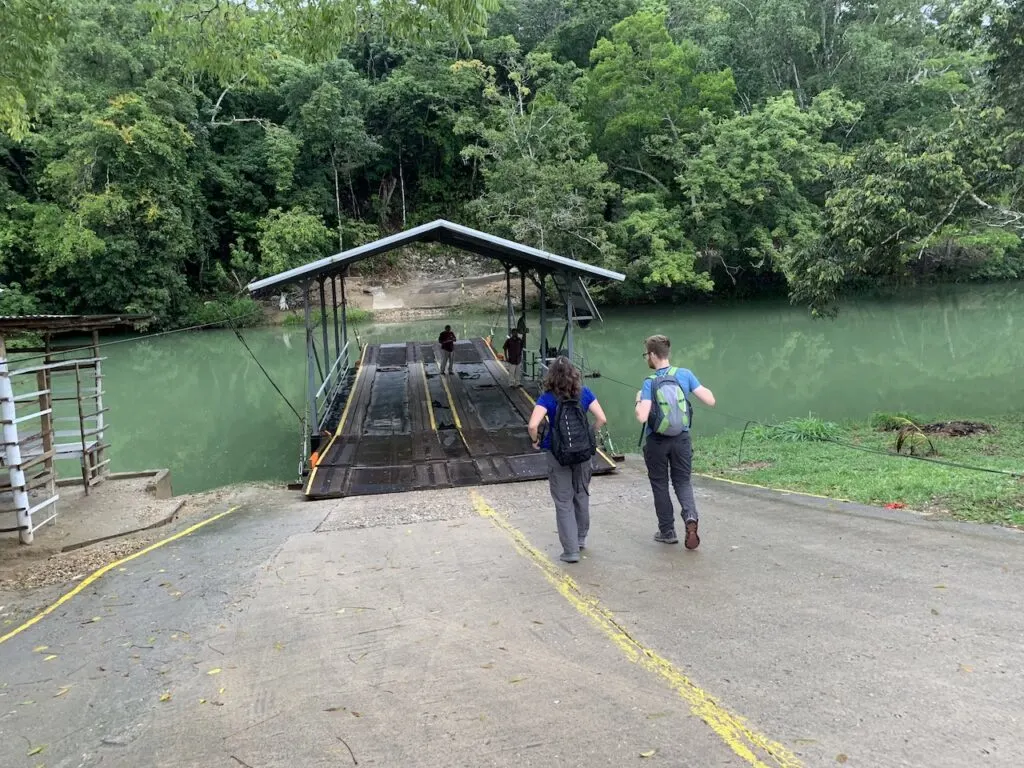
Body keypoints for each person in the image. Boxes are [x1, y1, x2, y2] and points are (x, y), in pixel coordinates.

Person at [634, 335, 716, 550]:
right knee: (682, 481)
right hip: (681, 439)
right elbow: (710, 400)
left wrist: (638, 401)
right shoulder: (685, 374)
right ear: (667, 353)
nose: (647, 359)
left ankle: (667, 531)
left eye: (646, 355)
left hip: (657, 442)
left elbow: (642, 416)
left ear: (652, 355)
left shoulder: (649, 382)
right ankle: (690, 517)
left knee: (660, 484)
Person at [528, 357, 607, 564]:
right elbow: (601, 418)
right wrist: (588, 434)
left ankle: (570, 551)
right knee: (581, 495)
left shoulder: (547, 398)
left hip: (558, 454)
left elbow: (532, 425)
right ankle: (580, 539)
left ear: (551, 377)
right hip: (582, 454)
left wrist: (536, 441)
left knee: (563, 501)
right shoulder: (585, 393)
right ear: (574, 374)